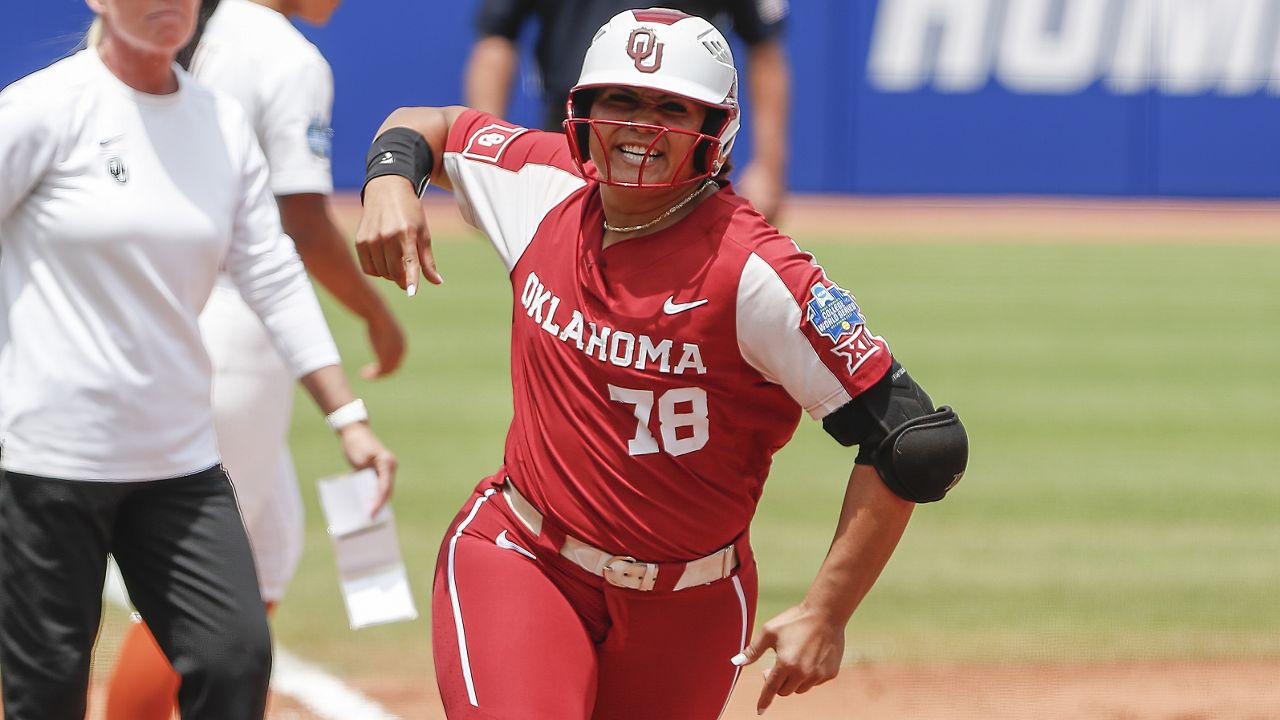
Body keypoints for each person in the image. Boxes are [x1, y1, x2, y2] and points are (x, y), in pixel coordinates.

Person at [357, 8, 966, 719]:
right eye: (622, 100)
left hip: (694, 604)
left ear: (715, 129)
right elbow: (427, 125)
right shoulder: (542, 182)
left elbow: (916, 442)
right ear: (581, 111)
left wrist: (827, 611)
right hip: (523, 556)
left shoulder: (756, 273)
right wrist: (390, 180)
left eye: (671, 107)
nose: (643, 124)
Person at [0, 0, 396, 718]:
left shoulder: (220, 121)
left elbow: (273, 272)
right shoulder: (39, 111)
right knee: (48, 694)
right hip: (47, 463)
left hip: (177, 462)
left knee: (233, 657)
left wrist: (349, 416)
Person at [463, 0, 791, 221]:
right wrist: (483, 164)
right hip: (578, 129)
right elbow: (497, 38)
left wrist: (769, 166)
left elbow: (764, 50)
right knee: (556, 275)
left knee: (690, 268)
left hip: (681, 135)